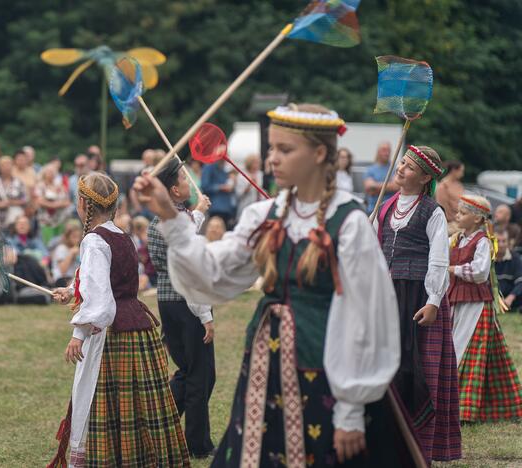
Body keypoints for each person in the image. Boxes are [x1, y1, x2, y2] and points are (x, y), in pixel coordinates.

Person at [134, 103, 416, 467]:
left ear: (318, 153)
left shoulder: (348, 223)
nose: (272, 160)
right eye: (271, 149)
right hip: (266, 373)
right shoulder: (264, 216)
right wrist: (171, 217)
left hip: (326, 372)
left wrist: (350, 409)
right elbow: (212, 275)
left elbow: (370, 317)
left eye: (285, 150)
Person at [47, 172, 190, 467]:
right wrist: (71, 290)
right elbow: (109, 282)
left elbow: (101, 300)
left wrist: (78, 335)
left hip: (113, 334)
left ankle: (114, 459)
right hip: (137, 327)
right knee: (140, 405)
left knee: (111, 404)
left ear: (84, 204)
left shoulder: (93, 241)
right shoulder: (121, 235)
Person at [373, 145, 461, 463]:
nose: (400, 169)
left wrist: (434, 300)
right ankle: (386, 433)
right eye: (401, 163)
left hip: (417, 297)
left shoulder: (431, 211)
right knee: (387, 364)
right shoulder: (384, 207)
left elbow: (439, 259)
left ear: (425, 177)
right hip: (385, 293)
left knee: (415, 367)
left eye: (408, 167)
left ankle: (420, 438)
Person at [147, 157, 217, 458]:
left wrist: (197, 211)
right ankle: (197, 445)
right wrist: (205, 315)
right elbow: (188, 266)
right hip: (187, 303)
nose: (189, 182)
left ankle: (159, 426)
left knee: (187, 371)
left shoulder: (157, 220)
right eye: (184, 180)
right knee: (201, 375)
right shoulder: (177, 221)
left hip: (167, 302)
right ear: (174, 191)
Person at [448, 194, 522, 422]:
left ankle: (466, 410)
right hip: (458, 300)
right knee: (458, 348)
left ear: (478, 218)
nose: (457, 215)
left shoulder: (482, 241)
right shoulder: (457, 239)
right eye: (458, 211)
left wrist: (454, 270)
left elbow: (480, 273)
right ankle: (463, 405)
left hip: (478, 304)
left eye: (463, 212)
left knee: (472, 351)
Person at [0, 156, 27, 228]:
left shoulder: (18, 182)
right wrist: (0, 205)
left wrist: (11, 202)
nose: (6, 167)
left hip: (14, 220)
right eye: (3, 165)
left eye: (9, 165)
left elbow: (24, 200)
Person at [35, 164, 70, 245]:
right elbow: (39, 201)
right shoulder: (40, 186)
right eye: (49, 172)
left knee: (59, 243)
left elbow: (67, 201)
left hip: (60, 220)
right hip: (46, 220)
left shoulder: (60, 186)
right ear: (44, 173)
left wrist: (54, 204)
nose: (51, 174)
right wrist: (56, 205)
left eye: (53, 172)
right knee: (47, 243)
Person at [364, 141, 398, 214]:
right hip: (373, 210)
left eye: (388, 150)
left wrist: (375, 187)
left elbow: (396, 187)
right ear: (378, 152)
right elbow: (369, 188)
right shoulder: (371, 169)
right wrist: (389, 186)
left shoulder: (395, 168)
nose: (387, 153)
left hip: (390, 210)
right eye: (384, 150)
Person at [202, 159, 235, 228]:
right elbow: (205, 186)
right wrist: (221, 187)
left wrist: (233, 182)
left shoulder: (226, 169)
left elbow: (230, 188)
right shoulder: (209, 167)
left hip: (227, 209)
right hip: (216, 208)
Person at [495, 228, 522, 311]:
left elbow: (520, 281)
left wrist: (510, 298)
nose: (501, 244)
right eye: (498, 241)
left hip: (511, 300)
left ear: (508, 243)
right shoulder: (487, 259)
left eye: (504, 241)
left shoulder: (515, 258)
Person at [51, 220, 83, 287]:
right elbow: (63, 270)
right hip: (62, 280)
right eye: (74, 237)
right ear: (67, 237)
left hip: (74, 278)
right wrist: (71, 254)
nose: (77, 240)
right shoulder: (61, 248)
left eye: (78, 237)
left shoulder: (80, 249)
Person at [234, 153, 264, 220]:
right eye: (255, 163)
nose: (257, 165)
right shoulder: (242, 176)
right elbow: (238, 194)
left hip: (259, 207)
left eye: (258, 163)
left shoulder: (261, 175)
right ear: (250, 163)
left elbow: (263, 192)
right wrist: (250, 185)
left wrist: (258, 188)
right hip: (245, 207)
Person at [435, 160, 465, 227]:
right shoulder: (443, 186)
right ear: (454, 170)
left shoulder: (459, 185)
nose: (462, 174)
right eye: (461, 171)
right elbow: (443, 208)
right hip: (449, 223)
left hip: (460, 220)